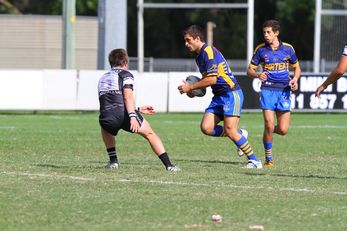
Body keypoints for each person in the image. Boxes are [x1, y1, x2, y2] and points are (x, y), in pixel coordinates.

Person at [178, 25, 262, 169]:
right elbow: (206, 80)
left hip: (231, 93)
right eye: (184, 41)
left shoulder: (208, 51)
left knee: (230, 130)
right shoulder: (199, 56)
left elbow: (212, 79)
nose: (186, 44)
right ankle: (240, 134)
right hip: (218, 96)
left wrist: (191, 86)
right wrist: (193, 92)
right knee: (206, 127)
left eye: (188, 40)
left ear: (197, 38)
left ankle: (255, 161)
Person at [98, 48, 180, 172]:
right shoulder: (125, 74)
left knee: (106, 128)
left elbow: (112, 102)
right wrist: (132, 115)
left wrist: (138, 109)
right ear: (125, 62)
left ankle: (113, 161)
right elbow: (128, 96)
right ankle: (169, 165)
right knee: (150, 134)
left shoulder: (103, 78)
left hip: (106, 117)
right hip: (124, 115)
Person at [247, 20, 301, 167]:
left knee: (283, 130)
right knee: (270, 125)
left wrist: (295, 79)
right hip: (268, 90)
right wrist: (258, 75)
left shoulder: (288, 49)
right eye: (264, 32)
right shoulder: (260, 50)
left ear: (276, 33)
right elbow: (249, 70)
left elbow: (297, 68)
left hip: (284, 90)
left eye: (269, 32)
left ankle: (268, 130)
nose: (266, 35)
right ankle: (268, 159)